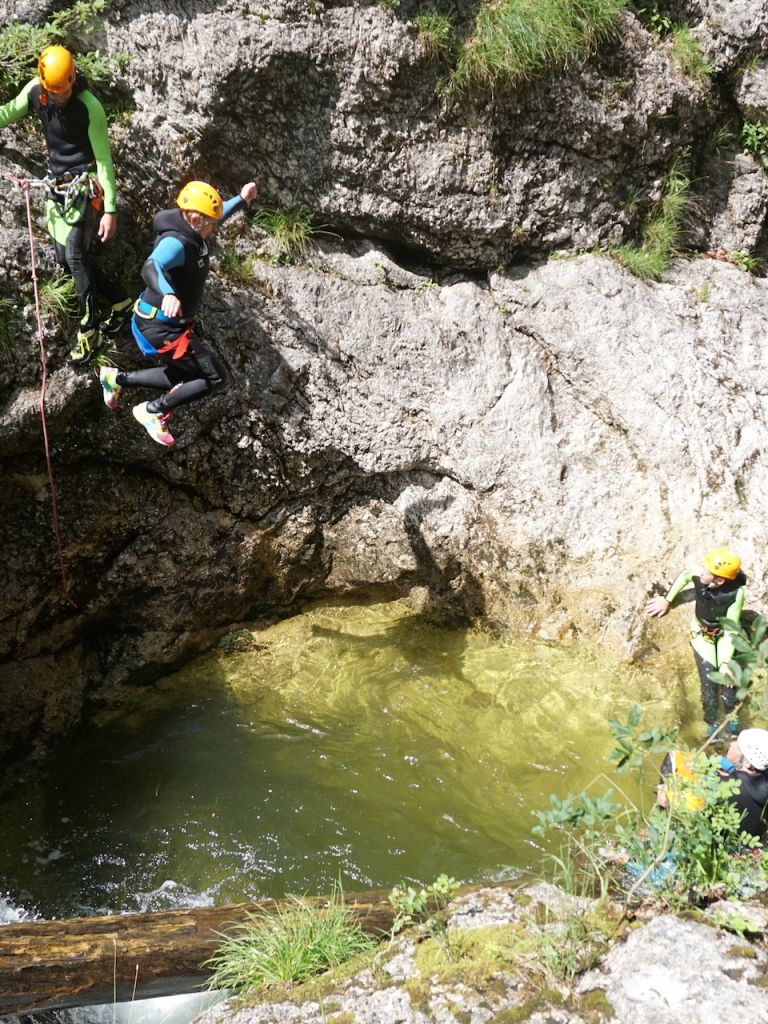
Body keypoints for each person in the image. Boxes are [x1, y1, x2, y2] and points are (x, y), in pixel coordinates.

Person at [98, 179, 257, 446]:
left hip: (166, 325)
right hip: (159, 328)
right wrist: (168, 293)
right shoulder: (176, 242)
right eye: (210, 222)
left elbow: (219, 214)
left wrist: (241, 199)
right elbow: (151, 266)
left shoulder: (195, 231)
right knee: (214, 377)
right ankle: (151, 411)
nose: (215, 226)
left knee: (187, 377)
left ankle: (116, 379)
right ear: (195, 219)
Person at [0, 45, 132, 365]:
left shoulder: (90, 107)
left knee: (73, 255)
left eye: (64, 90)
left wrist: (110, 209)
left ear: (73, 80)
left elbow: (103, 160)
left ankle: (89, 332)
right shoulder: (37, 92)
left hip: (84, 187)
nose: (60, 97)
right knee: (67, 258)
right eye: (54, 92)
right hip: (58, 188)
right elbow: (8, 111)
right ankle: (120, 301)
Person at [646, 549, 746, 732]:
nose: (701, 572)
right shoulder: (698, 575)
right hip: (702, 635)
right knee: (709, 687)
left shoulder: (735, 594)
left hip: (725, 637)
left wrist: (725, 663)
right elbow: (684, 576)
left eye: (707, 571)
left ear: (720, 580)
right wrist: (667, 600)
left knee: (728, 692)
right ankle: (712, 728)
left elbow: (732, 629)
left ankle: (734, 729)